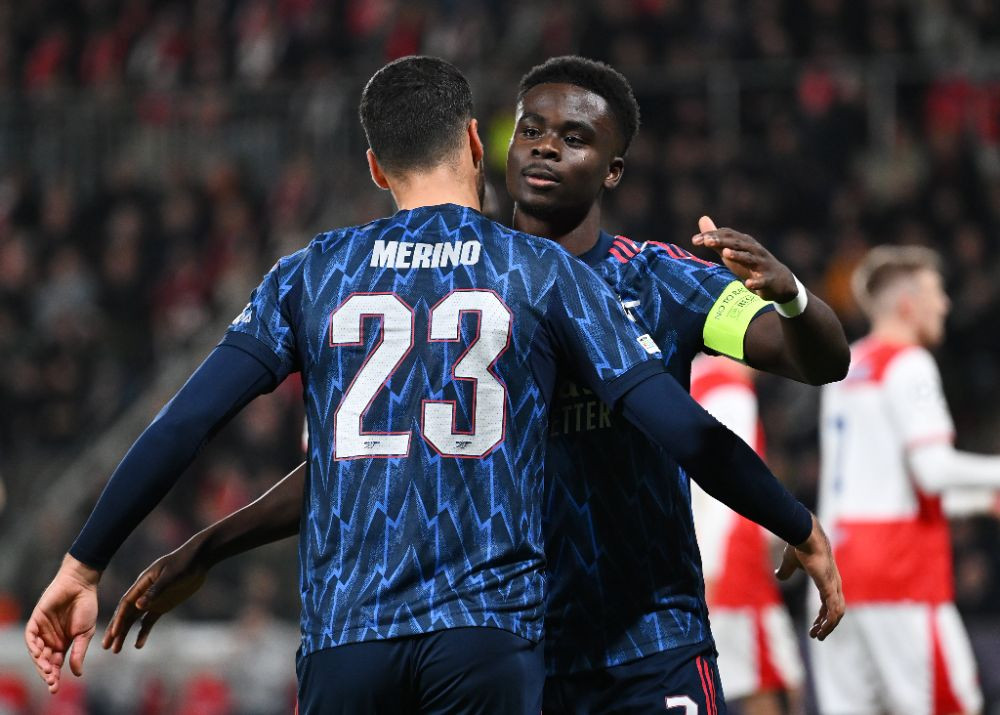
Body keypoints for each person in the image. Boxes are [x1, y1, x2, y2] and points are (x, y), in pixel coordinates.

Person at [25, 56, 834, 714]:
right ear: (486, 145)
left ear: (614, 167)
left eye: (574, 138)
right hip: (513, 643)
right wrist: (209, 542)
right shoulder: (525, 276)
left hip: (636, 645)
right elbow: (368, 457)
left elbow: (811, 361)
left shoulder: (661, 278)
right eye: (532, 130)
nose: (545, 149)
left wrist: (794, 297)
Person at [813, 245, 1000, 715]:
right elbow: (932, 471)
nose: (945, 305)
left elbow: (884, 484)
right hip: (899, 571)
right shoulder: (909, 363)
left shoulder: (846, 368)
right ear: (907, 304)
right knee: (948, 705)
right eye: (937, 293)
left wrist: (982, 500)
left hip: (838, 567)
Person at [690, 355, 805, 715]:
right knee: (772, 683)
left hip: (698, 550)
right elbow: (725, 489)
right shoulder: (732, 392)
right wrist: (713, 567)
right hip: (732, 563)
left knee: (703, 680)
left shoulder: (692, 374)